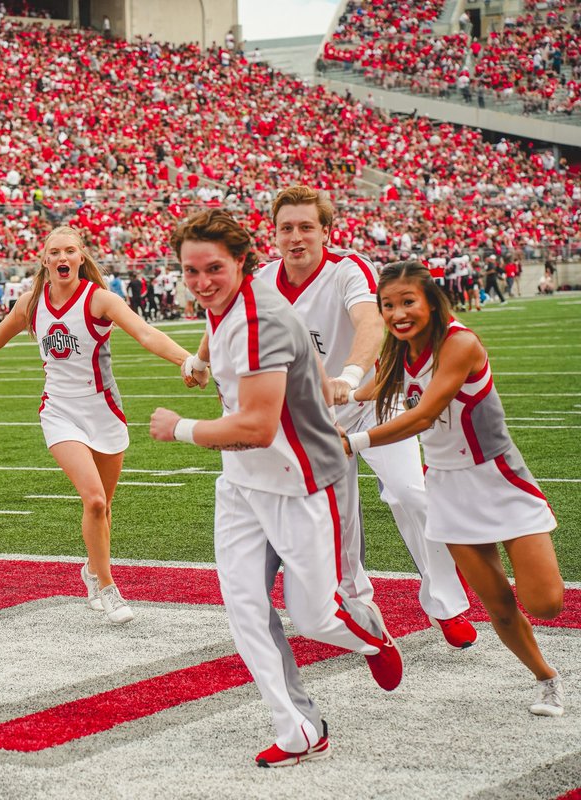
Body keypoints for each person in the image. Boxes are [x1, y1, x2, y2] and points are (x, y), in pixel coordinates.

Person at [150, 209, 402, 767]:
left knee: (314, 617)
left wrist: (181, 428)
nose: (200, 282)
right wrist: (199, 360)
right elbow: (261, 352)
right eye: (190, 271)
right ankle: (299, 730)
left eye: (212, 268)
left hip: (301, 482)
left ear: (241, 261)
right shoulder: (228, 304)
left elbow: (258, 427)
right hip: (242, 482)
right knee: (244, 608)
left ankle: (372, 638)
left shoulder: (260, 317)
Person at [192, 186, 475, 648]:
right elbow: (219, 314)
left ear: (326, 230)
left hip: (371, 404)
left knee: (411, 493)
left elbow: (370, 320)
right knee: (336, 523)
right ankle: (362, 617)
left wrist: (348, 373)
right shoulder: (260, 279)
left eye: (306, 227)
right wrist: (201, 362)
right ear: (275, 234)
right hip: (314, 421)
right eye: (287, 228)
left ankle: (447, 605)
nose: (296, 237)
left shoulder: (348, 268)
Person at [0, 226, 192, 624]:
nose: (63, 258)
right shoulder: (30, 303)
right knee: (94, 500)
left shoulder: (99, 299)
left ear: (82, 256)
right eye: (55, 252)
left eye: (70, 251)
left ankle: (91, 568)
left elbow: (144, 332)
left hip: (104, 411)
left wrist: (185, 360)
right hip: (59, 411)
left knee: (105, 509)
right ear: (44, 259)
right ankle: (107, 588)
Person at [345, 261, 564, 717]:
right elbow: (376, 389)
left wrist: (352, 441)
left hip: (498, 478)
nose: (398, 313)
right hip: (448, 487)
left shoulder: (460, 343)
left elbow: (423, 415)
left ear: (431, 301)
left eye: (408, 302)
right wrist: (327, 393)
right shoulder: (400, 349)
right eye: (388, 305)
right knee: (499, 607)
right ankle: (548, 680)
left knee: (544, 603)